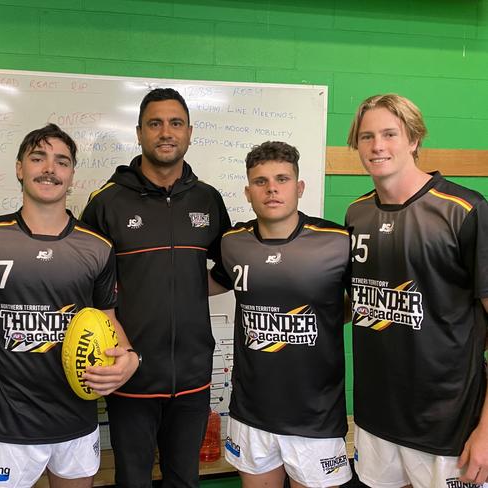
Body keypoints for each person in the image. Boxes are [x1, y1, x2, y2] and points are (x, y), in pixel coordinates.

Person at [0, 123, 139, 488]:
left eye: (61, 161)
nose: (49, 169)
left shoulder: (97, 247)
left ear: (72, 174)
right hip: (10, 420)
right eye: (38, 158)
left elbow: (107, 318)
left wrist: (131, 356)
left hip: (76, 415)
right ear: (19, 167)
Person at [80, 88, 231, 487]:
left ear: (189, 132)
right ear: (140, 132)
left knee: (185, 480)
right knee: (132, 480)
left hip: (194, 376)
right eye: (155, 123)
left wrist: (189, 287)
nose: (166, 132)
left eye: (175, 123)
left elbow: (232, 267)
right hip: (130, 375)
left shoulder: (209, 199)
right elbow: (85, 284)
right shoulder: (106, 202)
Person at [346, 94, 488, 487]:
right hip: (376, 420)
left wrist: (487, 432)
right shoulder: (357, 213)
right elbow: (353, 302)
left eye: (390, 134)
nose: (377, 146)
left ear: (414, 139)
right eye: (366, 136)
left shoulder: (464, 209)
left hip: (449, 427)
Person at [209, 141, 353, 488]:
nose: (272, 188)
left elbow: (358, 304)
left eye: (282, 179)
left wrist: (326, 316)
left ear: (299, 187)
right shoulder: (233, 241)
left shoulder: (337, 241)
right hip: (251, 413)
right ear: (247, 191)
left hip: (314, 419)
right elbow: (209, 284)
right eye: (260, 181)